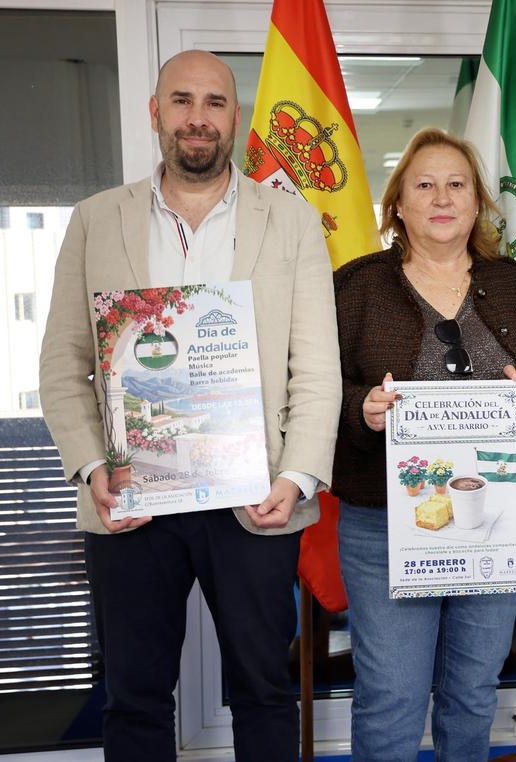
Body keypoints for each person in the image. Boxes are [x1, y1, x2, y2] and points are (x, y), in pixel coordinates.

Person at [38, 50, 341, 762]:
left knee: (265, 692)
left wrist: (294, 478)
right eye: (181, 101)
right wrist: (92, 471)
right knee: (135, 698)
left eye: (213, 103)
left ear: (235, 118)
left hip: (257, 495)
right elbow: (61, 366)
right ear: (156, 113)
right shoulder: (94, 221)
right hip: (131, 499)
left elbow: (318, 369)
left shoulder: (292, 223)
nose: (197, 118)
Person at [331, 127, 516, 761]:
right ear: (398, 203)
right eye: (424, 185)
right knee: (392, 693)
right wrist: (361, 409)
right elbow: (318, 388)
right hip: (384, 524)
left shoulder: (515, 284)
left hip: (492, 523)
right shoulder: (359, 286)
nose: (441, 197)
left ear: (479, 201)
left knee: (473, 691)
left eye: (456, 184)